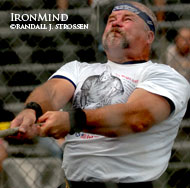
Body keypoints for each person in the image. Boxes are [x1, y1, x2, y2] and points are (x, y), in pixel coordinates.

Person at [11, 1, 190, 188]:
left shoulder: (165, 75)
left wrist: (73, 121)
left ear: (149, 36)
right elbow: (52, 91)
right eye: (111, 19)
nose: (116, 22)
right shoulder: (78, 69)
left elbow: (138, 117)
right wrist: (32, 110)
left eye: (127, 19)